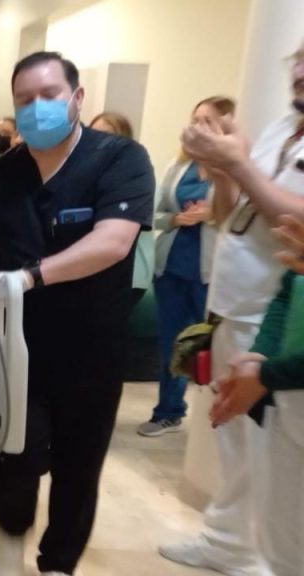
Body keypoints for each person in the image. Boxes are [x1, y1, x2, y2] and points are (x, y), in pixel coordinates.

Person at [0, 52, 155, 576]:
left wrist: (31, 275)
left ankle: (58, 565)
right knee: (16, 457)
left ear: (77, 97)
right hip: (19, 349)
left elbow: (113, 243)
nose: (37, 108)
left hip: (92, 350)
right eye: (24, 100)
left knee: (79, 468)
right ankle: (9, 544)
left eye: (49, 95)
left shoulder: (119, 160)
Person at [162, 39, 304, 576]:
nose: (300, 71)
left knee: (270, 448)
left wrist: (238, 164)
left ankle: (256, 554)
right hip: (231, 304)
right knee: (236, 438)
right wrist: (221, 170)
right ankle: (227, 539)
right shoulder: (279, 130)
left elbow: (295, 218)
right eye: (297, 60)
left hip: (272, 314)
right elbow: (230, 214)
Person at [127, 98, 233, 438]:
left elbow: (241, 218)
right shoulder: (178, 165)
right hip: (171, 267)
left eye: (208, 120)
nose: (199, 126)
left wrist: (211, 215)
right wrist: (176, 219)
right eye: (195, 118)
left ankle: (216, 418)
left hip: (211, 272)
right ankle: (169, 412)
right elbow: (153, 214)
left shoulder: (234, 167)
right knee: (172, 345)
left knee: (215, 346)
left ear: (226, 124)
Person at [210, 214, 304, 576]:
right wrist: (260, 357)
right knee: (281, 548)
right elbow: (288, 288)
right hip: (288, 401)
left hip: (283, 381)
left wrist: (266, 375)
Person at [88, 112, 156, 311]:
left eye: (107, 135)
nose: (99, 140)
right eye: (94, 133)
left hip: (129, 273)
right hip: (96, 272)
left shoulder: (136, 173)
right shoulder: (91, 171)